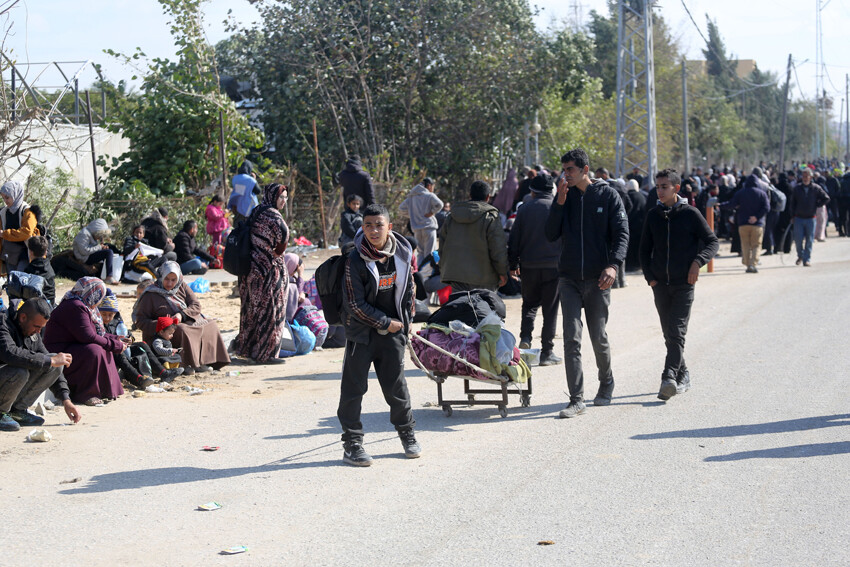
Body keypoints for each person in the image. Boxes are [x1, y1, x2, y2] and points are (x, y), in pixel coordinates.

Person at [544, 148, 629, 418]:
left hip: (598, 278)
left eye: (570, 169)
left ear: (585, 170)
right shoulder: (564, 198)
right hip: (568, 278)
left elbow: (622, 233)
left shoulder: (607, 195)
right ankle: (576, 398)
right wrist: (558, 202)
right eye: (563, 169)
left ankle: (606, 383)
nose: (565, 174)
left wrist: (613, 265)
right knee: (571, 338)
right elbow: (550, 234)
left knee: (598, 337)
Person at [338, 203, 419, 466]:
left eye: (379, 225)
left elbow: (409, 292)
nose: (374, 231)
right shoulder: (354, 259)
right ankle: (352, 443)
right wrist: (385, 322)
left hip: (393, 333)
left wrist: (406, 323)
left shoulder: (402, 254)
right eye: (369, 225)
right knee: (354, 389)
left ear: (389, 227)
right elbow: (354, 304)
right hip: (361, 333)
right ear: (362, 227)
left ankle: (407, 434)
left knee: (396, 388)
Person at [640, 168, 719, 401]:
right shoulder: (653, 215)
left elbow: (712, 242)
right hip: (660, 284)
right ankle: (683, 373)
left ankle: (669, 377)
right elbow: (643, 250)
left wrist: (697, 262)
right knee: (669, 334)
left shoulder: (691, 214)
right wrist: (650, 278)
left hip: (684, 283)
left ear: (676, 188)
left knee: (676, 332)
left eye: (664, 186)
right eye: (658, 186)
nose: (660, 190)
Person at [132, 262, 230, 374]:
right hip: (162, 333)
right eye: (167, 279)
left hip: (184, 320)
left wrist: (181, 315)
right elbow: (140, 321)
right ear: (161, 276)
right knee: (182, 330)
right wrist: (162, 324)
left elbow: (196, 305)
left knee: (211, 324)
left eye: (173, 280)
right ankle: (187, 363)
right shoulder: (150, 294)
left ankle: (206, 361)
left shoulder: (182, 286)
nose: (170, 283)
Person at [43, 277, 127, 406]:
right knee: (94, 350)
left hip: (72, 346)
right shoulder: (75, 306)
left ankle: (104, 391)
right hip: (59, 351)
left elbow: (95, 333)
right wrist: (112, 344)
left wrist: (115, 339)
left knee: (102, 347)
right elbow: (87, 336)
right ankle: (85, 394)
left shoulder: (85, 305)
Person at [231, 183, 290, 363]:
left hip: (249, 269)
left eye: (285, 197)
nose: (283, 201)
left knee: (251, 310)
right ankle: (267, 353)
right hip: (268, 271)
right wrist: (276, 253)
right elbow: (284, 236)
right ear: (272, 197)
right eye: (281, 197)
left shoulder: (257, 210)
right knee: (271, 311)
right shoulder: (272, 215)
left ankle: (248, 350)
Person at [508, 173, 562, 366]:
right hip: (553, 267)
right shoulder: (558, 208)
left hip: (529, 266)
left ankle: (526, 341)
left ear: (532, 191)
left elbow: (514, 240)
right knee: (550, 309)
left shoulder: (524, 209)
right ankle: (547, 352)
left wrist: (513, 265)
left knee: (529, 305)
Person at [0, 297, 78, 432]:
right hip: (7, 373)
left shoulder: (32, 332)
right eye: (37, 327)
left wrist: (66, 399)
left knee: (53, 363)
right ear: (23, 317)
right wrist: (50, 361)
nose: (38, 331)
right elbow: (10, 353)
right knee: (21, 371)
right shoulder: (3, 323)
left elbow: (49, 360)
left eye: (41, 328)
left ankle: (17, 411)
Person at [438, 180, 508, 293]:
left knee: (461, 308)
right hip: (484, 277)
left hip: (456, 274)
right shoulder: (490, 217)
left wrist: (443, 267)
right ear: (488, 197)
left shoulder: (452, 216)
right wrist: (502, 272)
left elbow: (442, 245)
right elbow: (497, 249)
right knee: (483, 309)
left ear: (470, 195)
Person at [727, 173, 770, 273]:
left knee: (745, 244)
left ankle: (747, 263)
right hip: (757, 224)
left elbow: (732, 204)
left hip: (743, 223)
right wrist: (756, 217)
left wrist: (720, 205)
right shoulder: (762, 193)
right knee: (756, 245)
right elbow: (767, 208)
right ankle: (753, 264)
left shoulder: (740, 193)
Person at [790, 168, 830, 267]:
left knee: (809, 240)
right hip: (798, 218)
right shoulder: (797, 189)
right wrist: (792, 216)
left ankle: (806, 259)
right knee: (798, 240)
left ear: (811, 177)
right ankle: (800, 255)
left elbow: (826, 198)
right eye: (803, 176)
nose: (805, 178)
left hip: (811, 218)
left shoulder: (816, 188)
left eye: (807, 176)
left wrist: (818, 204)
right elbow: (792, 204)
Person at [398, 177, 444, 264]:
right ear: (429, 186)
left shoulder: (412, 197)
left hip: (417, 229)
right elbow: (440, 204)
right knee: (430, 253)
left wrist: (412, 215)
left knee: (420, 253)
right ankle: (428, 274)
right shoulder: (430, 195)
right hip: (429, 227)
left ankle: (420, 273)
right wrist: (432, 212)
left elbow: (401, 208)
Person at [0, 180, 40, 274]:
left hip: (25, 253)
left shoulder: (27, 211)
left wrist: (4, 233)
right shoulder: (3, 212)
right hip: (9, 254)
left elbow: (27, 232)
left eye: (7, 197)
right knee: (12, 282)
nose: (5, 201)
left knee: (21, 278)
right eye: (3, 198)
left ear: (15, 195)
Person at [72, 219, 117, 284]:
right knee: (108, 252)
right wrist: (99, 247)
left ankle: (106, 276)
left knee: (108, 250)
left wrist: (101, 248)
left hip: (88, 255)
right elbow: (84, 251)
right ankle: (109, 277)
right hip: (83, 257)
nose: (99, 238)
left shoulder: (91, 234)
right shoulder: (84, 234)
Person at [24, 235, 56, 306]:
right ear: (45, 252)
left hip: (36, 308)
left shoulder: (29, 270)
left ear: (30, 252)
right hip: (51, 305)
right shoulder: (49, 267)